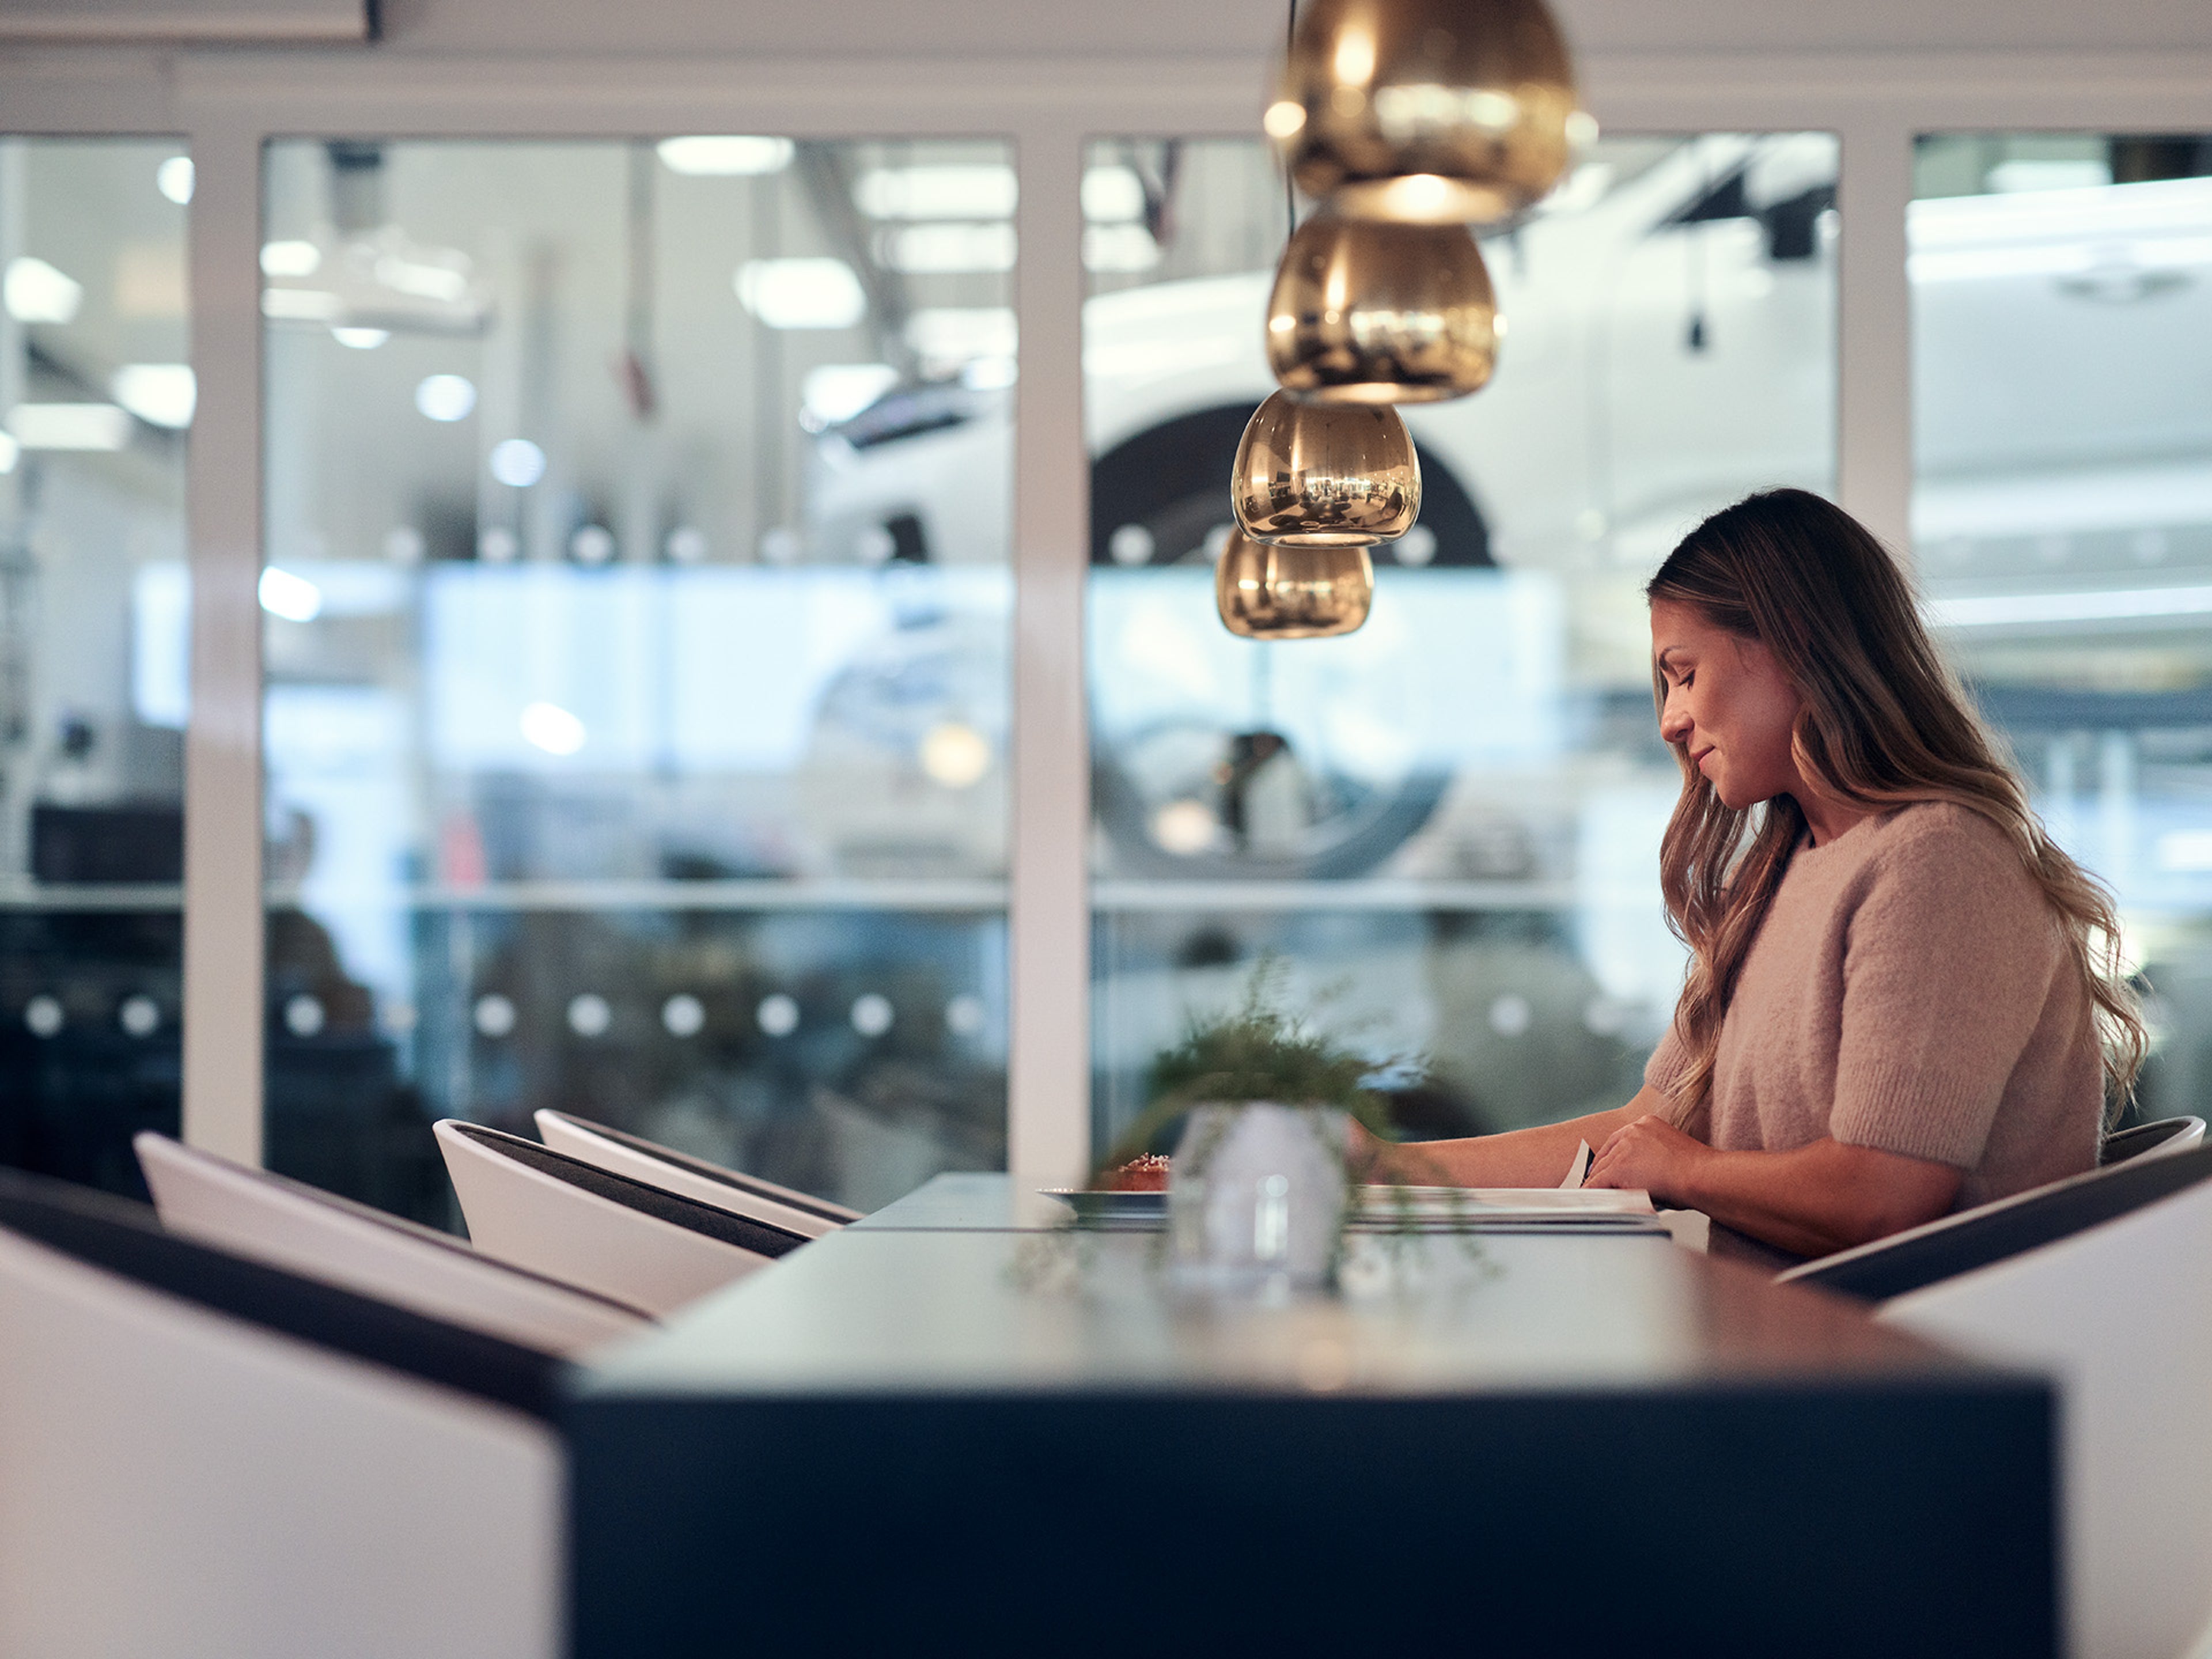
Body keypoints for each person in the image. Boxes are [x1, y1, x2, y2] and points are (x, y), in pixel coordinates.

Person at [1357, 488, 2146, 1266]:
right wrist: (1379, 1167)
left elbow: (1883, 1198)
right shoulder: (1786, 869)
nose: (1668, 719)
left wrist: (1688, 1171)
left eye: (1684, 673)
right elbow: (1642, 1133)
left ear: (1795, 641)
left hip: (1901, 1362)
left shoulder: (1938, 863)